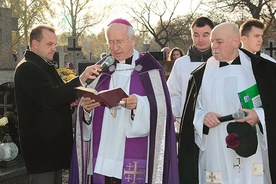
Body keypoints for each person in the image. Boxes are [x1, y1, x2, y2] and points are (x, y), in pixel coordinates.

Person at [68, 18, 179, 184]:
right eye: (110, 42)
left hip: (136, 149)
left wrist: (139, 105)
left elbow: (163, 111)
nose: (114, 48)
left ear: (132, 39)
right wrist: (86, 110)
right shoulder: (101, 70)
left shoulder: (150, 69)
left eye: (119, 42)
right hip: (105, 150)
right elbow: (85, 116)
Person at [178, 22, 276, 183]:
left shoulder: (263, 70)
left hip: (253, 146)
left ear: (236, 42)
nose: (214, 46)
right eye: (212, 41)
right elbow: (191, 113)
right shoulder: (199, 76)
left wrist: (258, 115)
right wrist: (203, 117)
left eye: (219, 41)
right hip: (215, 147)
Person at [14, 25, 101, 184]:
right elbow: (49, 97)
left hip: (52, 151)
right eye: (49, 44)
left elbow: (51, 98)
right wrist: (80, 79)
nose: (54, 48)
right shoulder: (28, 68)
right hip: (42, 153)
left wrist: (70, 101)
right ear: (35, 44)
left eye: (55, 44)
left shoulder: (44, 66)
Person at [167, 17, 214, 120]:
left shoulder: (220, 61)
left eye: (205, 35)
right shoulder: (181, 63)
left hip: (215, 122)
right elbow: (174, 94)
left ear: (212, 35)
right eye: (196, 35)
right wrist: (173, 111)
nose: (200, 39)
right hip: (187, 123)